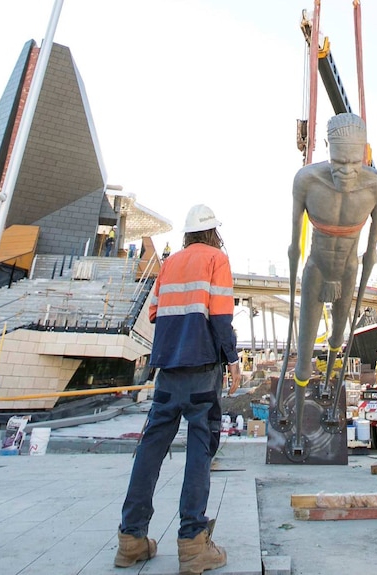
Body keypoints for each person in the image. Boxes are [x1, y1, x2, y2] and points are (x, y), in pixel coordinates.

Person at [115, 204, 242, 574]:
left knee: (151, 450)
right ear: (213, 232)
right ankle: (192, 544)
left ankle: (131, 539)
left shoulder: (169, 263)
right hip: (202, 370)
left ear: (187, 234)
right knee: (200, 450)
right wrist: (232, 359)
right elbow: (220, 316)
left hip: (167, 370)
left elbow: (154, 312)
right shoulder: (217, 259)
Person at [288, 113, 377, 391]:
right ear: (326, 147)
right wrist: (292, 273)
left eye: (355, 163)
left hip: (347, 270)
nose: (347, 171)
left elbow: (371, 249)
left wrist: (366, 274)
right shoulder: (306, 181)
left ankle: (332, 379)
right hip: (317, 268)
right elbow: (294, 245)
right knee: (304, 354)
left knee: (337, 336)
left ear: (364, 154)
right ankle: (299, 403)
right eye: (339, 162)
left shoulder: (376, 187)